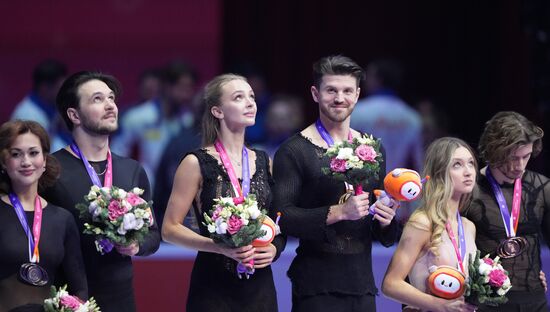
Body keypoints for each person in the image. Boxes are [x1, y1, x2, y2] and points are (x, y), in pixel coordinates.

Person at [272, 55, 399, 312]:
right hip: (316, 286)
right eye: (331, 90)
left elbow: (380, 231)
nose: (339, 98)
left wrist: (386, 221)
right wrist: (338, 212)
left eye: (347, 91)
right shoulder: (295, 150)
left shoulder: (373, 149)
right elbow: (281, 216)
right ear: (315, 93)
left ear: (358, 94)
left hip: (362, 284)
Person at [162, 74, 286, 312]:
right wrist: (218, 247)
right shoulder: (195, 162)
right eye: (239, 97)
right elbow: (169, 229)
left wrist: (274, 249)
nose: (250, 102)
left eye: (251, 96)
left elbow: (277, 222)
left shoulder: (263, 161)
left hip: (259, 288)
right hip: (213, 288)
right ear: (217, 111)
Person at [42, 71, 161, 312]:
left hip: (121, 298)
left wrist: (136, 246)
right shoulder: (49, 170)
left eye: (111, 98)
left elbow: (153, 236)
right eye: (97, 99)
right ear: (74, 114)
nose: (110, 106)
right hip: (68, 297)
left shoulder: (132, 169)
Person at [464, 111, 550, 311]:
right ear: (494, 151)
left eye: (526, 156)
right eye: (513, 158)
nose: (520, 166)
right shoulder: (469, 189)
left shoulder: (542, 187)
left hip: (534, 299)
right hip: (485, 302)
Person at [382, 137, 478, 312]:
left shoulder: (468, 226)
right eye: (457, 165)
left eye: (471, 163)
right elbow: (390, 284)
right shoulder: (422, 222)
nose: (468, 171)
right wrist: (439, 305)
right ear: (440, 172)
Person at [0, 120, 87, 312]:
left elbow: (79, 288)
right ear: (4, 162)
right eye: (16, 154)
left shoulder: (62, 219)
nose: (26, 162)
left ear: (45, 160)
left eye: (33, 153)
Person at [111, 61, 198, 187]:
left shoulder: (188, 120)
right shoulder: (138, 117)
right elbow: (117, 153)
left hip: (179, 189)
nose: (187, 94)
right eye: (182, 88)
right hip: (144, 189)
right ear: (167, 86)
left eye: (190, 89)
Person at [11, 59, 70, 152]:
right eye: (60, 87)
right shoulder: (28, 116)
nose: (64, 92)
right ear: (45, 88)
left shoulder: (52, 107)